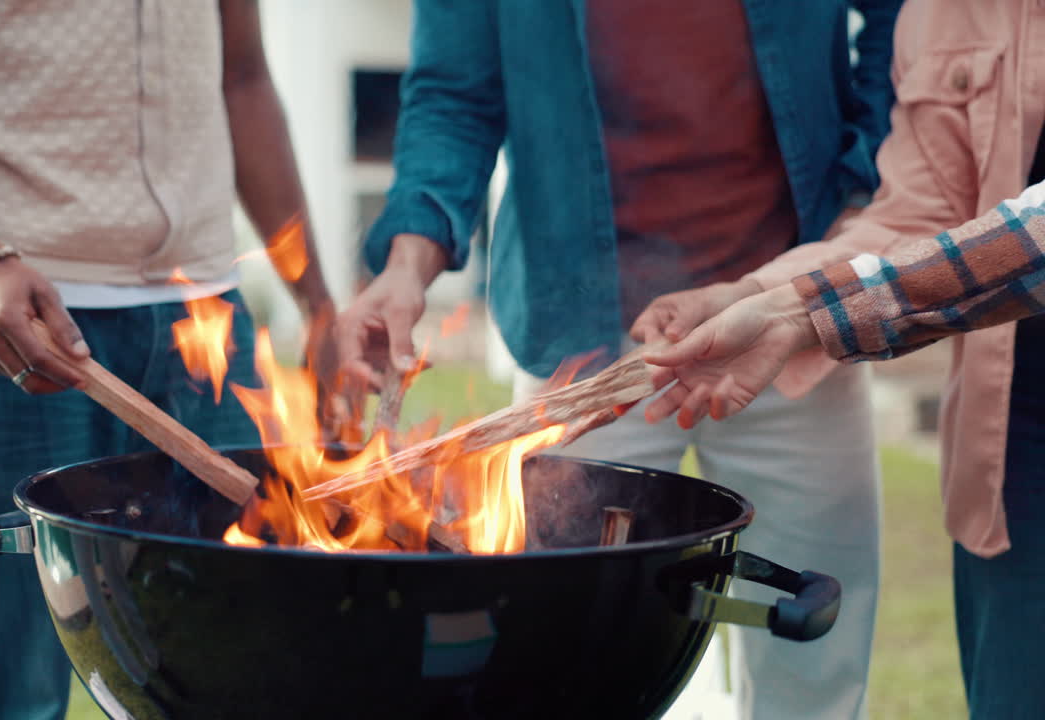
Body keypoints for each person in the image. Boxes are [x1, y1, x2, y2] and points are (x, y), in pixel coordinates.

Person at [334, 2, 902, 717]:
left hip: (790, 317)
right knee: (562, 659)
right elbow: (453, 94)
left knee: (813, 659)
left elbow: (898, 25)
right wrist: (406, 267)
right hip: (585, 340)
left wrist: (862, 197)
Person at [0, 3, 336, 718]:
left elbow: (241, 77)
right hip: (9, 328)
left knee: (230, 677)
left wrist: (318, 303)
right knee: (12, 694)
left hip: (206, 324)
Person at [638, 2, 1045, 715]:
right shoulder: (948, 10)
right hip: (1020, 440)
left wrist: (803, 314)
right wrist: (761, 295)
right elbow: (918, 216)